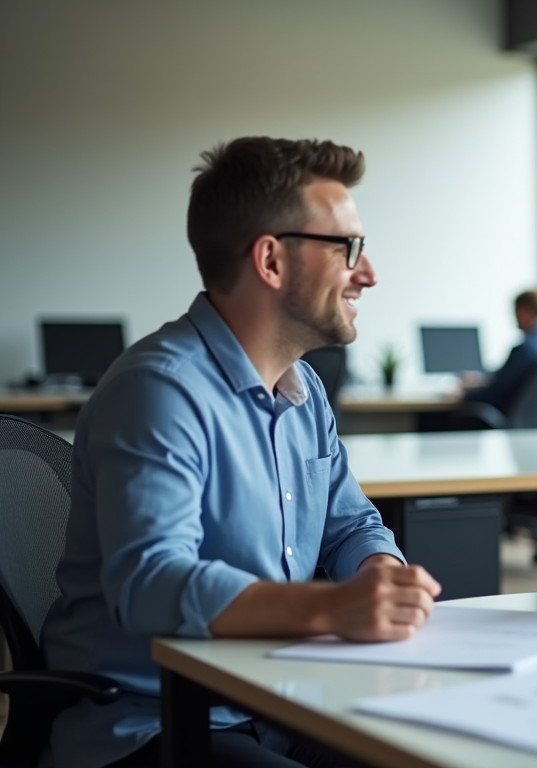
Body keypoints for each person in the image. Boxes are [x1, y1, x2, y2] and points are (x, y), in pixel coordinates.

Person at [40, 137, 441, 768]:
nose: (368, 273)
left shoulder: (304, 388)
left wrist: (377, 574)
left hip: (279, 698)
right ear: (271, 261)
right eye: (348, 249)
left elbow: (351, 525)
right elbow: (149, 580)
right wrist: (331, 607)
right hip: (154, 724)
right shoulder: (159, 391)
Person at [461, 288, 537, 415]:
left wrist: (464, 395)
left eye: (515, 312)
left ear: (524, 311)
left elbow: (495, 392)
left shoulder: (525, 350)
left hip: (509, 419)